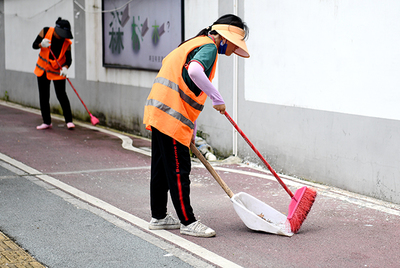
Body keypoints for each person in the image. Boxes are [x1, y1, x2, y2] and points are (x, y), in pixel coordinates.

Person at [143, 14, 250, 237]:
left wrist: (191, 127)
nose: (233, 51)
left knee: (162, 168)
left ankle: (159, 217)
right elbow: (193, 71)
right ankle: (188, 221)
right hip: (172, 115)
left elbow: (188, 88)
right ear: (225, 38)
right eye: (234, 44)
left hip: (160, 111)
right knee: (179, 170)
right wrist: (217, 98)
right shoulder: (209, 47)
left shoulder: (194, 41)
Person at [32, 17, 75, 130]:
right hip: (43, 70)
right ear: (56, 30)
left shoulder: (66, 43)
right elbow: (34, 45)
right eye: (61, 34)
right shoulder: (45, 31)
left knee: (61, 95)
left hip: (57, 72)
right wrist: (41, 44)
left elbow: (69, 60)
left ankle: (69, 121)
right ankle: (46, 122)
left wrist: (65, 68)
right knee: (44, 96)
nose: (62, 37)